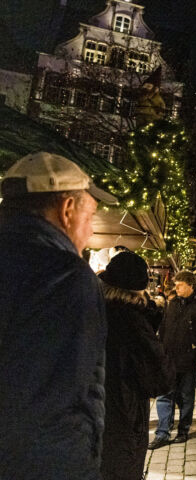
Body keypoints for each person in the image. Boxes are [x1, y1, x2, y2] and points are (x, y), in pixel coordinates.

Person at [0, 152, 117, 478]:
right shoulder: (65, 276)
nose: (90, 231)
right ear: (67, 209)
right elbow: (61, 399)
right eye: (90, 216)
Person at [99, 252, 173, 480]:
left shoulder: (92, 311)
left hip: (89, 419)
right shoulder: (133, 322)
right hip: (123, 419)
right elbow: (160, 380)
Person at [149, 270, 196, 449]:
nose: (176, 288)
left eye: (180, 285)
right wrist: (160, 351)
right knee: (164, 395)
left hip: (189, 359)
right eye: (175, 285)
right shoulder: (173, 304)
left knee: (186, 396)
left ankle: (183, 430)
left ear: (190, 285)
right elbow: (164, 328)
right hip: (169, 358)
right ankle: (162, 432)